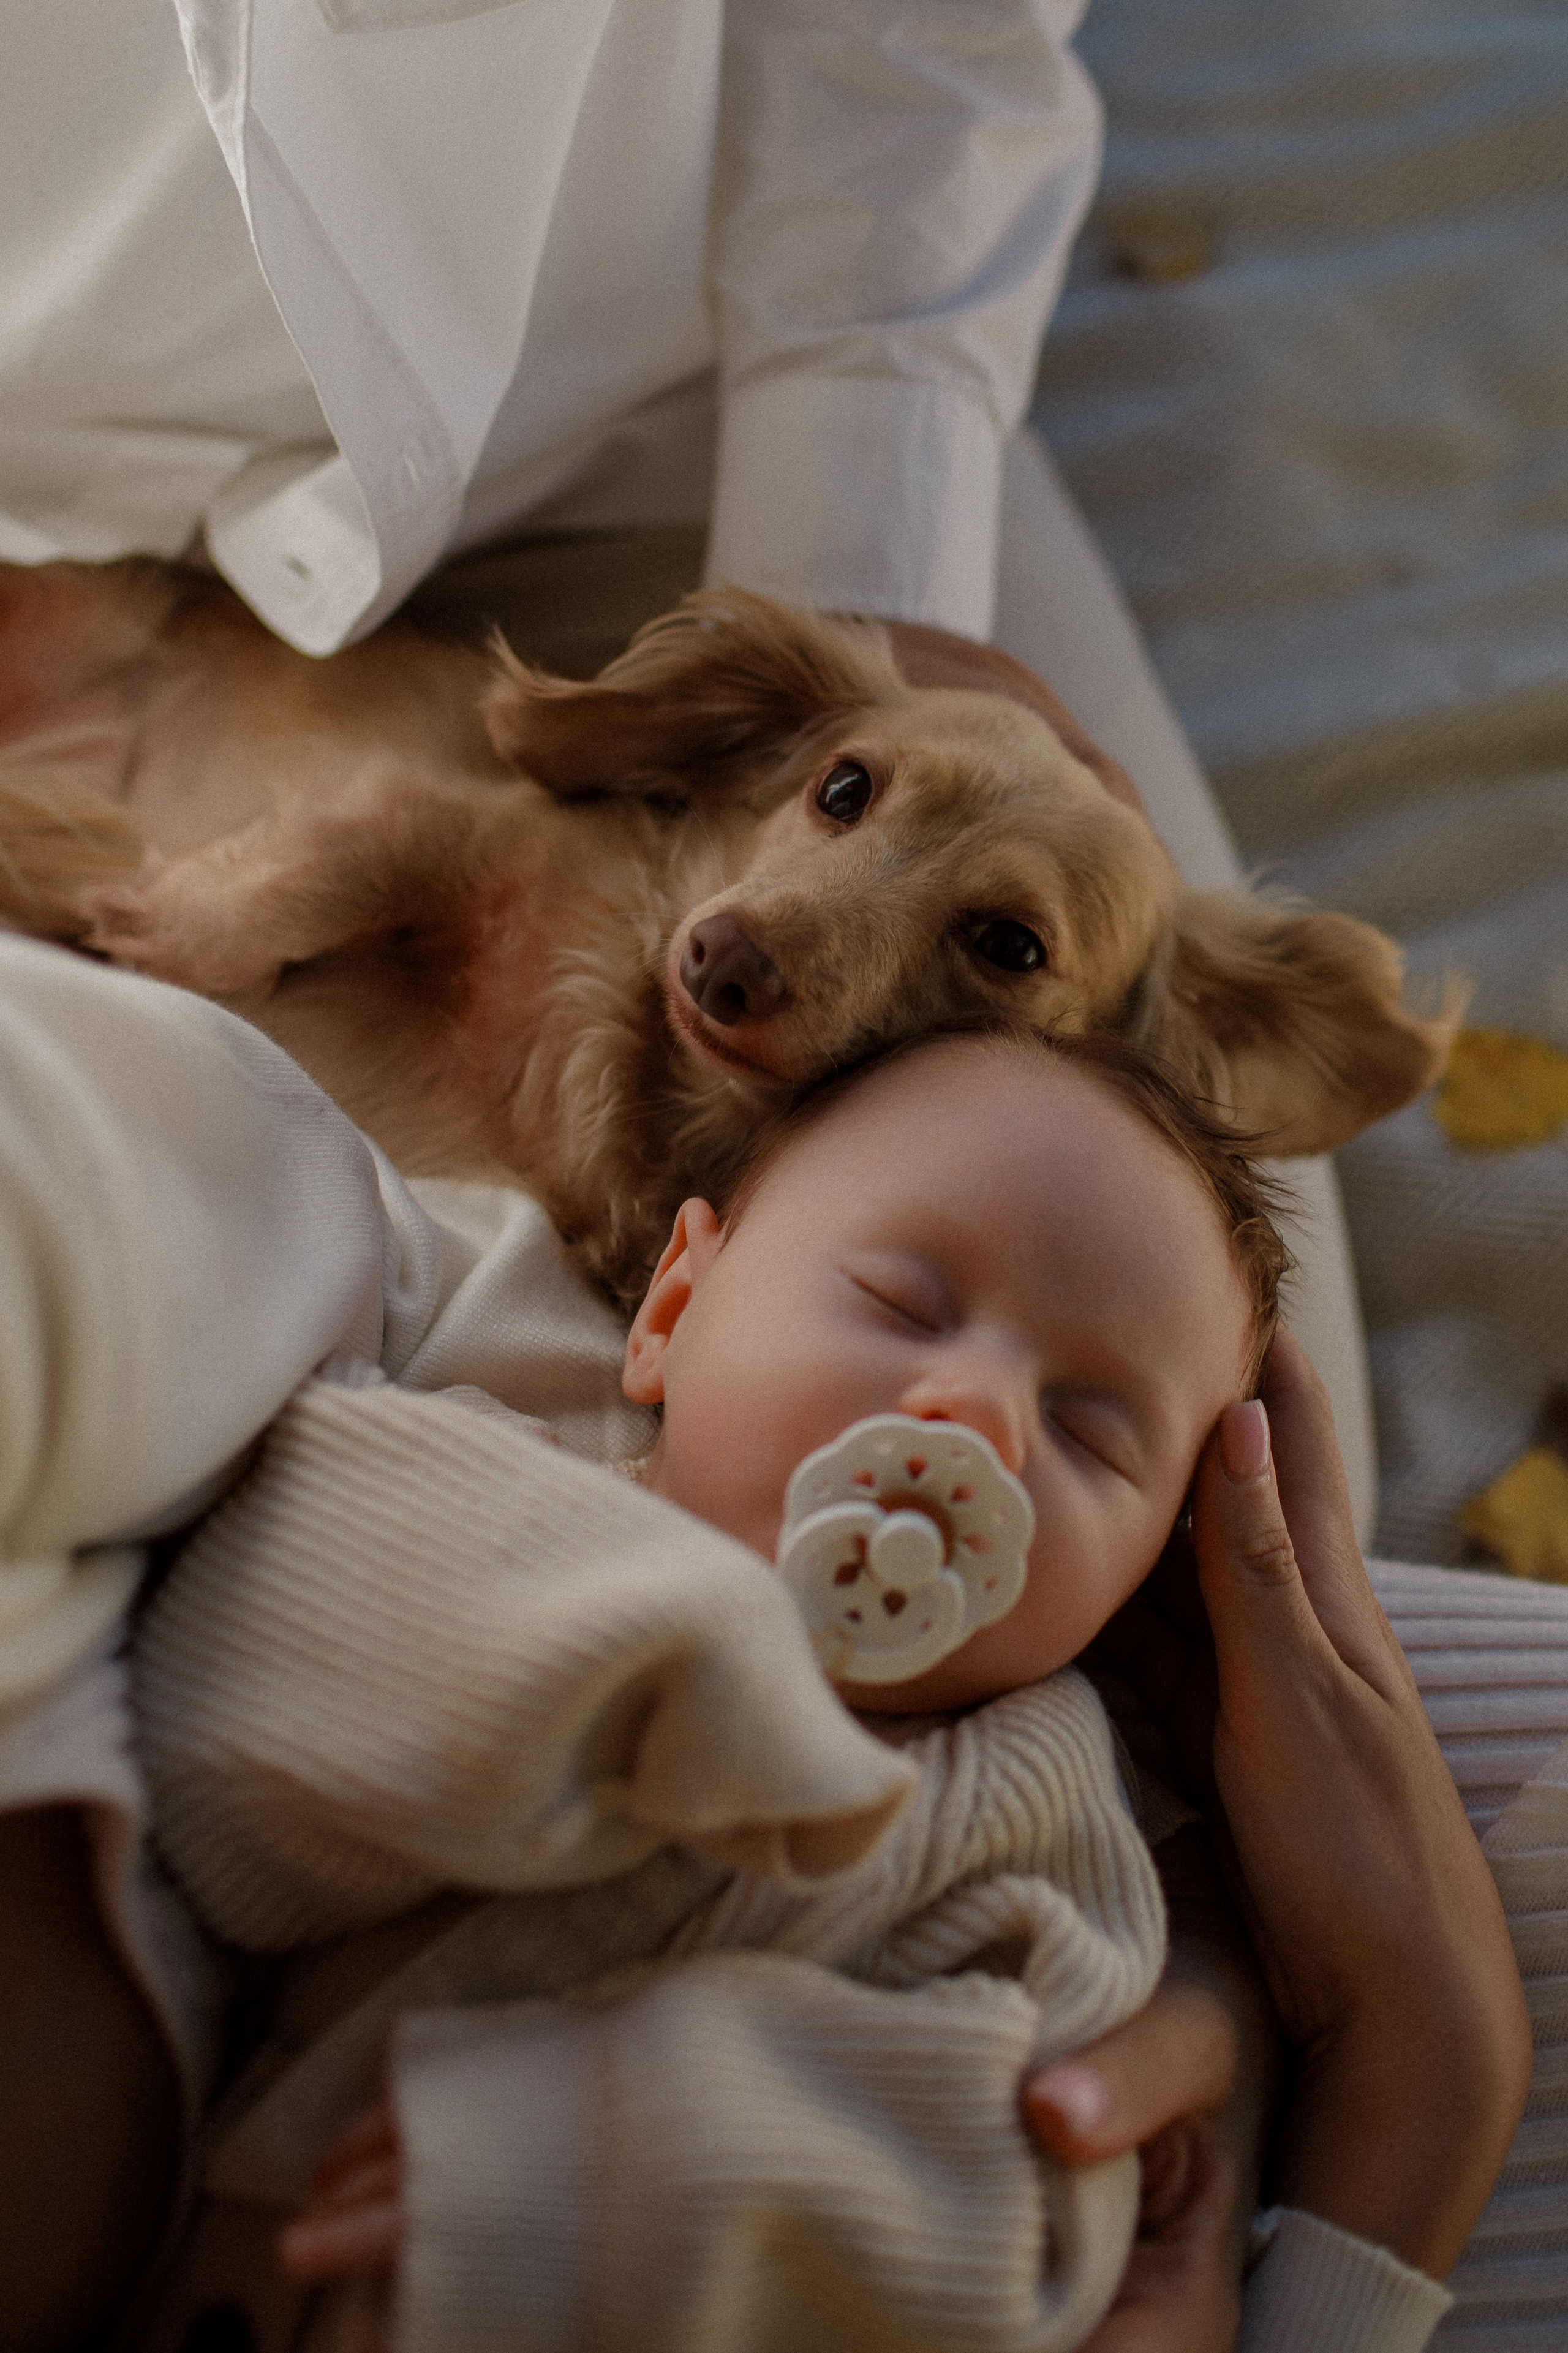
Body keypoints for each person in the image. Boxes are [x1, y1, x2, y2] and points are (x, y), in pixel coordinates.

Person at [0, 934, 1527, 2351]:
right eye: (900, 1299)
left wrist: (650, 2146)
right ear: (672, 1302)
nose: (973, 1417)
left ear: (1150, 1575)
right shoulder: (467, 1469)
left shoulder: (1050, 1824)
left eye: (1088, 1430)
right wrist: (704, 1670)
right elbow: (226, 1725)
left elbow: (1035, 2181)